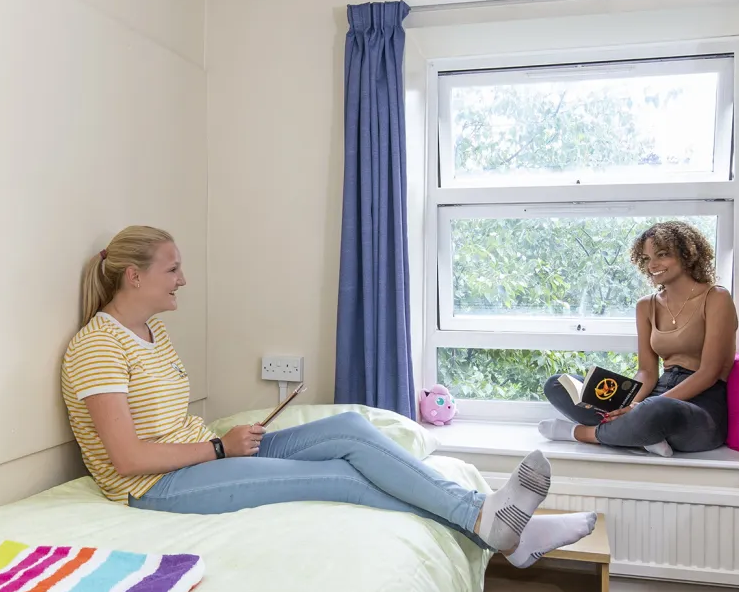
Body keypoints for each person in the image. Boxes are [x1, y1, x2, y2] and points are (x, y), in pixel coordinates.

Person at [62, 225, 597, 568]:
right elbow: (127, 457)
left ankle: (496, 524)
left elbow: (172, 427)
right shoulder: (97, 347)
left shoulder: (152, 333)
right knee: (344, 478)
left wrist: (225, 444)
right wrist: (220, 449)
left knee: (352, 432)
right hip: (156, 484)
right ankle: (489, 525)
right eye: (172, 268)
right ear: (134, 276)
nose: (183, 279)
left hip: (204, 453)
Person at [539, 221, 738, 457]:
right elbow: (647, 372)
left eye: (662, 255)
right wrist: (625, 405)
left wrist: (640, 409)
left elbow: (709, 372)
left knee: (656, 410)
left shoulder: (716, 297)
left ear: (688, 254)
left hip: (700, 405)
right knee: (559, 383)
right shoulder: (646, 305)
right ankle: (641, 437)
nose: (652, 265)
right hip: (657, 392)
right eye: (645, 259)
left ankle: (581, 433)